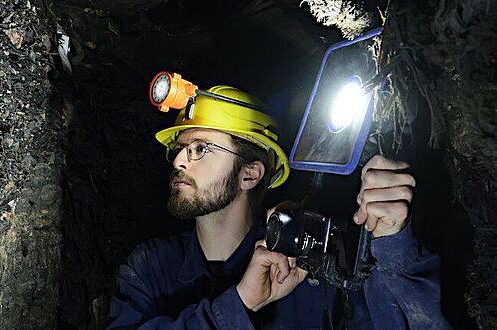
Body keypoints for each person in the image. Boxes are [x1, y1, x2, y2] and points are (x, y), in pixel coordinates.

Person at [107, 85, 450, 329]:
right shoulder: (149, 268)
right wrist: (240, 304)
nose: (179, 160)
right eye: (179, 149)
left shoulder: (308, 266)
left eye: (201, 148)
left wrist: (392, 243)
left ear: (250, 174)